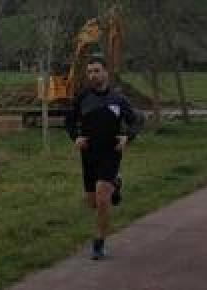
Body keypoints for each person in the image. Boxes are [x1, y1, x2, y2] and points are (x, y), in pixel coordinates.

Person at [65, 54, 142, 260]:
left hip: (110, 153)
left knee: (102, 199)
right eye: (89, 71)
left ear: (106, 72)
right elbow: (69, 121)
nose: (92, 75)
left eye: (96, 71)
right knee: (92, 202)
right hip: (88, 155)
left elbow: (135, 122)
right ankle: (116, 183)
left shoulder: (118, 99)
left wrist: (127, 137)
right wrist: (76, 137)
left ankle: (98, 243)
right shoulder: (82, 98)